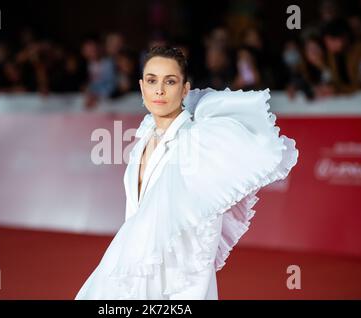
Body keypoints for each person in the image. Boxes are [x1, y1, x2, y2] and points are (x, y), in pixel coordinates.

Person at [75, 46, 299, 300]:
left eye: (170, 81)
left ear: (185, 89)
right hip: (131, 276)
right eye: (152, 81)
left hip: (176, 287)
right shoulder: (144, 136)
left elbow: (203, 236)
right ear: (141, 87)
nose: (159, 90)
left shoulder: (199, 144)